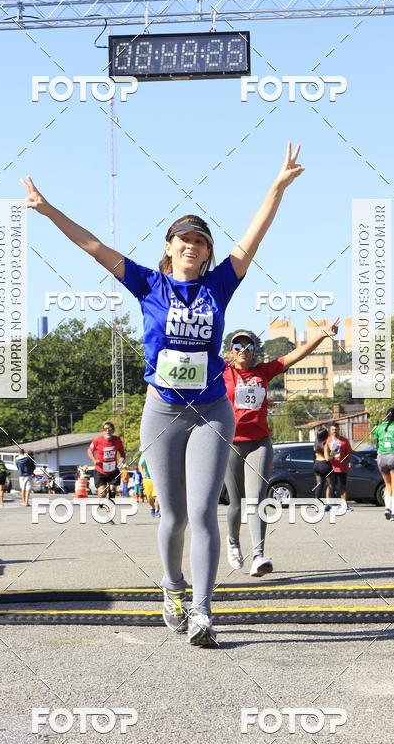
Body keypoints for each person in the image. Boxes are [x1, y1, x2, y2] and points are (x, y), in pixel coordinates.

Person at [22, 140, 305, 648]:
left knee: (202, 513)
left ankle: (202, 611)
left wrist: (276, 187)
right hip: (163, 412)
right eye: (184, 239)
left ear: (208, 252)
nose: (193, 245)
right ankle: (172, 589)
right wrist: (47, 211)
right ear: (170, 247)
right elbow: (91, 246)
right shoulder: (148, 283)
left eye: (201, 240)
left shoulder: (219, 285)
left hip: (212, 411)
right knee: (172, 515)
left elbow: (253, 237)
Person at [224, 321, 339, 577]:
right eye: (237, 345)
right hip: (230, 443)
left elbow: (297, 355)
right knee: (237, 503)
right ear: (231, 351)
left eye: (248, 345)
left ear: (254, 351)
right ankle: (232, 541)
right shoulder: (221, 372)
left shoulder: (263, 372)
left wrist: (320, 335)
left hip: (259, 442)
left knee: (257, 499)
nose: (243, 349)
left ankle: (258, 556)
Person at [372, 408, 394, 521]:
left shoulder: (379, 427)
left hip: (381, 458)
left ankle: (387, 508)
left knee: (387, 484)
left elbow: (375, 445)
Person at [88, 422, 125, 502]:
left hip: (113, 470)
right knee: (102, 493)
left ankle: (110, 506)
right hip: (100, 470)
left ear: (113, 431)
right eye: (105, 429)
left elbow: (122, 452)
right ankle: (101, 501)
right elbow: (89, 451)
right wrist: (94, 460)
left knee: (112, 490)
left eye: (109, 429)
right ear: (103, 431)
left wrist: (122, 458)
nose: (107, 431)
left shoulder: (117, 440)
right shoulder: (97, 440)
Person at [325, 423, 353, 513]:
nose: (334, 431)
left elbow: (349, 453)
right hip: (331, 468)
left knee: (343, 487)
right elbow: (325, 455)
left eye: (336, 429)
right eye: (333, 430)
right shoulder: (328, 441)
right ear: (330, 431)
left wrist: (350, 462)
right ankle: (329, 505)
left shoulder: (344, 441)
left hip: (342, 468)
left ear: (339, 430)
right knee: (330, 487)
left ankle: (344, 505)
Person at [313, 427, 332, 504]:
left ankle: (317, 503)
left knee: (319, 485)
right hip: (325, 465)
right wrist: (333, 455)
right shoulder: (325, 444)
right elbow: (327, 458)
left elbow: (315, 452)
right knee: (330, 485)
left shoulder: (316, 444)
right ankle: (329, 503)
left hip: (316, 464)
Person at [140, 452, 160, 518]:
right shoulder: (145, 454)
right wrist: (143, 474)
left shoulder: (158, 453)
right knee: (149, 497)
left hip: (157, 478)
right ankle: (152, 508)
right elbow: (140, 465)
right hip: (148, 479)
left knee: (157, 495)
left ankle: (157, 511)